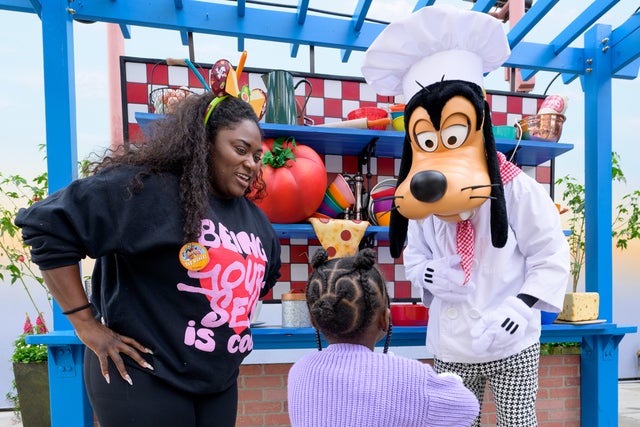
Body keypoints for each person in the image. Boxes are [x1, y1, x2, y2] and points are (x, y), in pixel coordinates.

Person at [15, 92, 282, 427]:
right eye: (240, 149)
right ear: (204, 142)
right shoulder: (146, 190)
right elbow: (48, 226)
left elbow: (261, 281)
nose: (251, 163)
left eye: (257, 156)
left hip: (218, 382)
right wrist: (85, 325)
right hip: (143, 375)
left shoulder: (257, 223)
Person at [361, 6, 570, 426]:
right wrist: (430, 274)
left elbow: (550, 253)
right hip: (452, 343)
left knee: (517, 423)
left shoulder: (516, 189)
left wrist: (522, 305)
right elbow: (414, 256)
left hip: (512, 339)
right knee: (455, 422)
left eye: (454, 134)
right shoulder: (422, 202)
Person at [287, 248, 480, 427]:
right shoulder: (411, 376)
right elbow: (469, 407)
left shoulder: (299, 371)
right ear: (385, 319)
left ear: (315, 318)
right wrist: (448, 379)